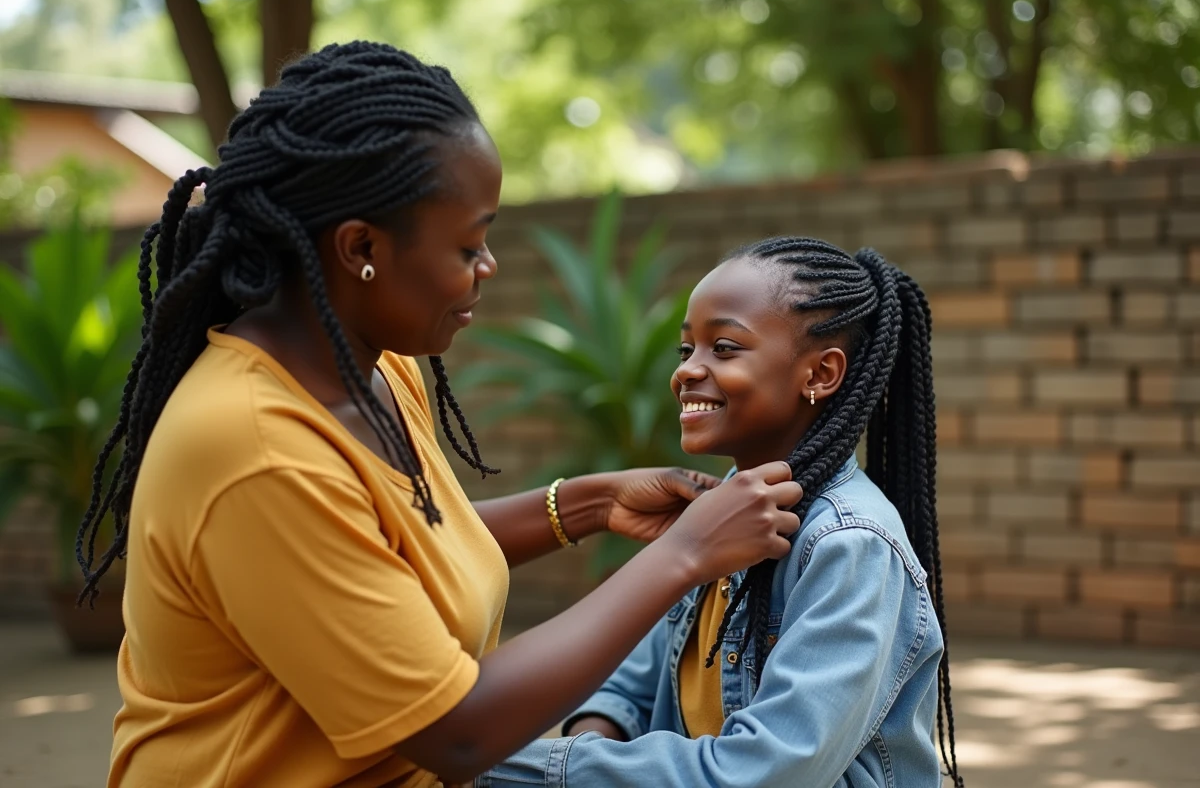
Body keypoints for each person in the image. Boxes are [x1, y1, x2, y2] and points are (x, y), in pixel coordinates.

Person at [74, 42, 806, 788]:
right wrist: (683, 555)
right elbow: (455, 732)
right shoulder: (253, 447)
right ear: (360, 247)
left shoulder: (376, 372)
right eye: (468, 244)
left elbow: (383, 558)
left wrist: (589, 503)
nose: (487, 267)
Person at [479, 237, 965, 787]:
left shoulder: (849, 546)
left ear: (821, 374)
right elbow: (632, 686)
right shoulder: (722, 510)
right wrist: (594, 738)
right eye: (687, 349)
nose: (688, 370)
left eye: (725, 348)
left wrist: (500, 772)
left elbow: (766, 773)